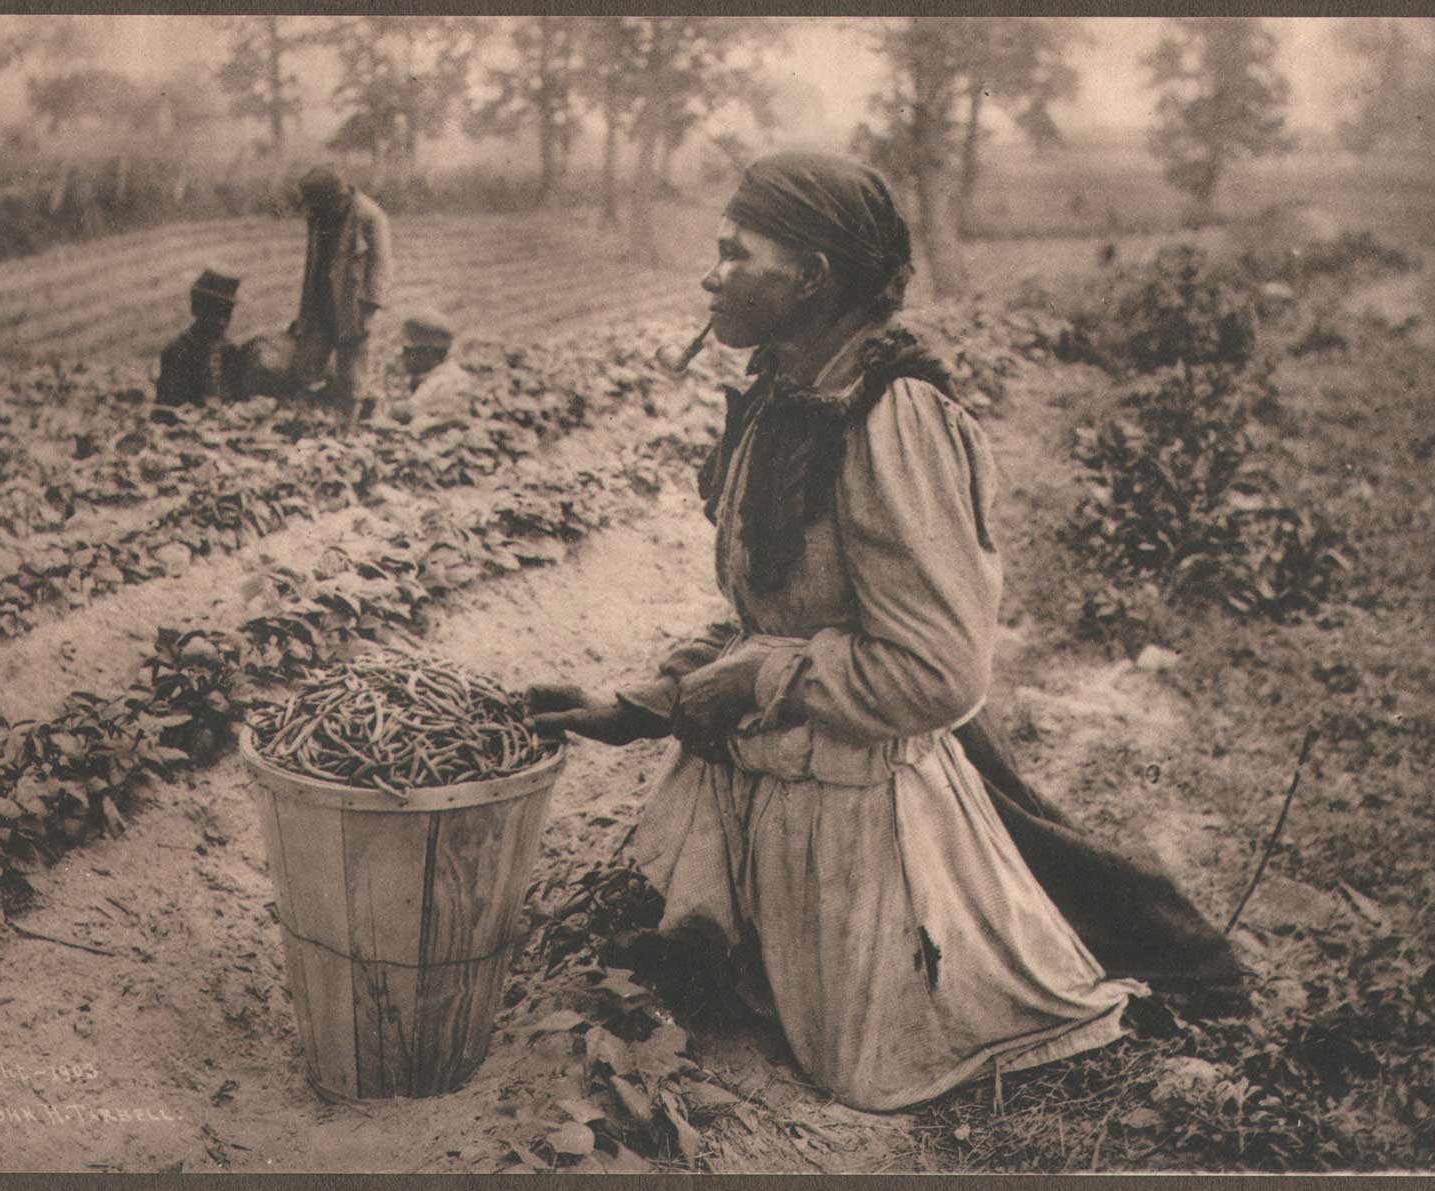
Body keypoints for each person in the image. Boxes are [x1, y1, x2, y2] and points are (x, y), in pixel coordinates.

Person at [527, 152, 1237, 1112]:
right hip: (775, 789)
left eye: (736, 254)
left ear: (812, 275)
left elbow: (937, 673)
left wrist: (752, 678)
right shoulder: (788, 397)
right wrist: (642, 703)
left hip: (859, 819)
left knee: (854, 1059)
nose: (711, 274)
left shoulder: (892, 420)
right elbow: (771, 617)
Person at [289, 165, 391, 436]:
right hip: (321, 300)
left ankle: (348, 429)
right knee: (307, 363)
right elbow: (314, 263)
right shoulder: (319, 217)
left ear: (337, 199)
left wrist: (370, 309)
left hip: (352, 305)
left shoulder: (369, 216)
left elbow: (380, 268)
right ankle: (306, 422)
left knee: (352, 371)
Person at [156, 269, 247, 407]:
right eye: (216, 312)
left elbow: (240, 397)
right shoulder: (178, 352)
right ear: (198, 308)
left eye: (227, 313)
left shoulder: (230, 352)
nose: (222, 321)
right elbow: (166, 406)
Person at [379, 310, 476, 426]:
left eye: (408, 351)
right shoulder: (432, 375)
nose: (402, 356)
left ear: (428, 353)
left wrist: (379, 407)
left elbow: (406, 412)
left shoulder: (446, 380)